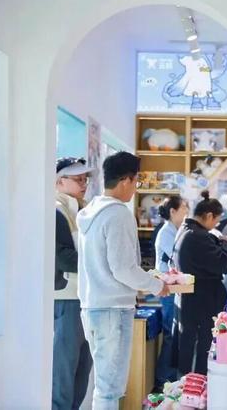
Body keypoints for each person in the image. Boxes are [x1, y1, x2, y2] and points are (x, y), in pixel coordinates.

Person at [77, 151, 169, 410]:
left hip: (92, 306)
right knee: (110, 389)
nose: (135, 187)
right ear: (126, 180)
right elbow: (123, 269)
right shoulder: (118, 214)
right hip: (113, 309)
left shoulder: (91, 211)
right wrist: (156, 285)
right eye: (136, 181)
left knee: (103, 386)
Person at [172, 191, 227, 375]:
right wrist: (225, 246)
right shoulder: (198, 236)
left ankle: (189, 385)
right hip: (201, 301)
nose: (216, 225)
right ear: (208, 216)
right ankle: (195, 387)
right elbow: (221, 263)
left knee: (190, 345)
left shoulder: (186, 231)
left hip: (192, 300)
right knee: (200, 348)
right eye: (216, 220)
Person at [53, 157, 94, 410]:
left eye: (85, 179)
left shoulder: (83, 211)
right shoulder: (56, 211)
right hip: (66, 298)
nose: (84, 184)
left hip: (85, 297)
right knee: (64, 373)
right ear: (59, 181)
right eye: (78, 179)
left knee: (82, 371)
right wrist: (99, 262)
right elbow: (62, 258)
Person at [154, 196, 188, 389]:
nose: (186, 211)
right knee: (170, 334)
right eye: (183, 208)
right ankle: (163, 380)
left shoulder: (176, 230)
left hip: (175, 287)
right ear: (173, 211)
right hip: (167, 288)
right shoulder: (166, 232)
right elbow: (177, 257)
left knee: (175, 334)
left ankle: (171, 379)